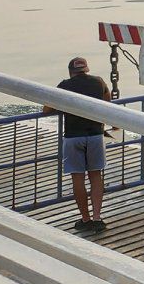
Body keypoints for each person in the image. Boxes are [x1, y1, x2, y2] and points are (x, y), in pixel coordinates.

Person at [43, 56, 111, 233]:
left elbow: (47, 109)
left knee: (78, 178)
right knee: (95, 176)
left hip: (73, 137)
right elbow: (107, 100)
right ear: (86, 69)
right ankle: (97, 218)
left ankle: (85, 219)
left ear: (70, 72)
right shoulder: (98, 81)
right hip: (95, 135)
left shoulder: (64, 85)